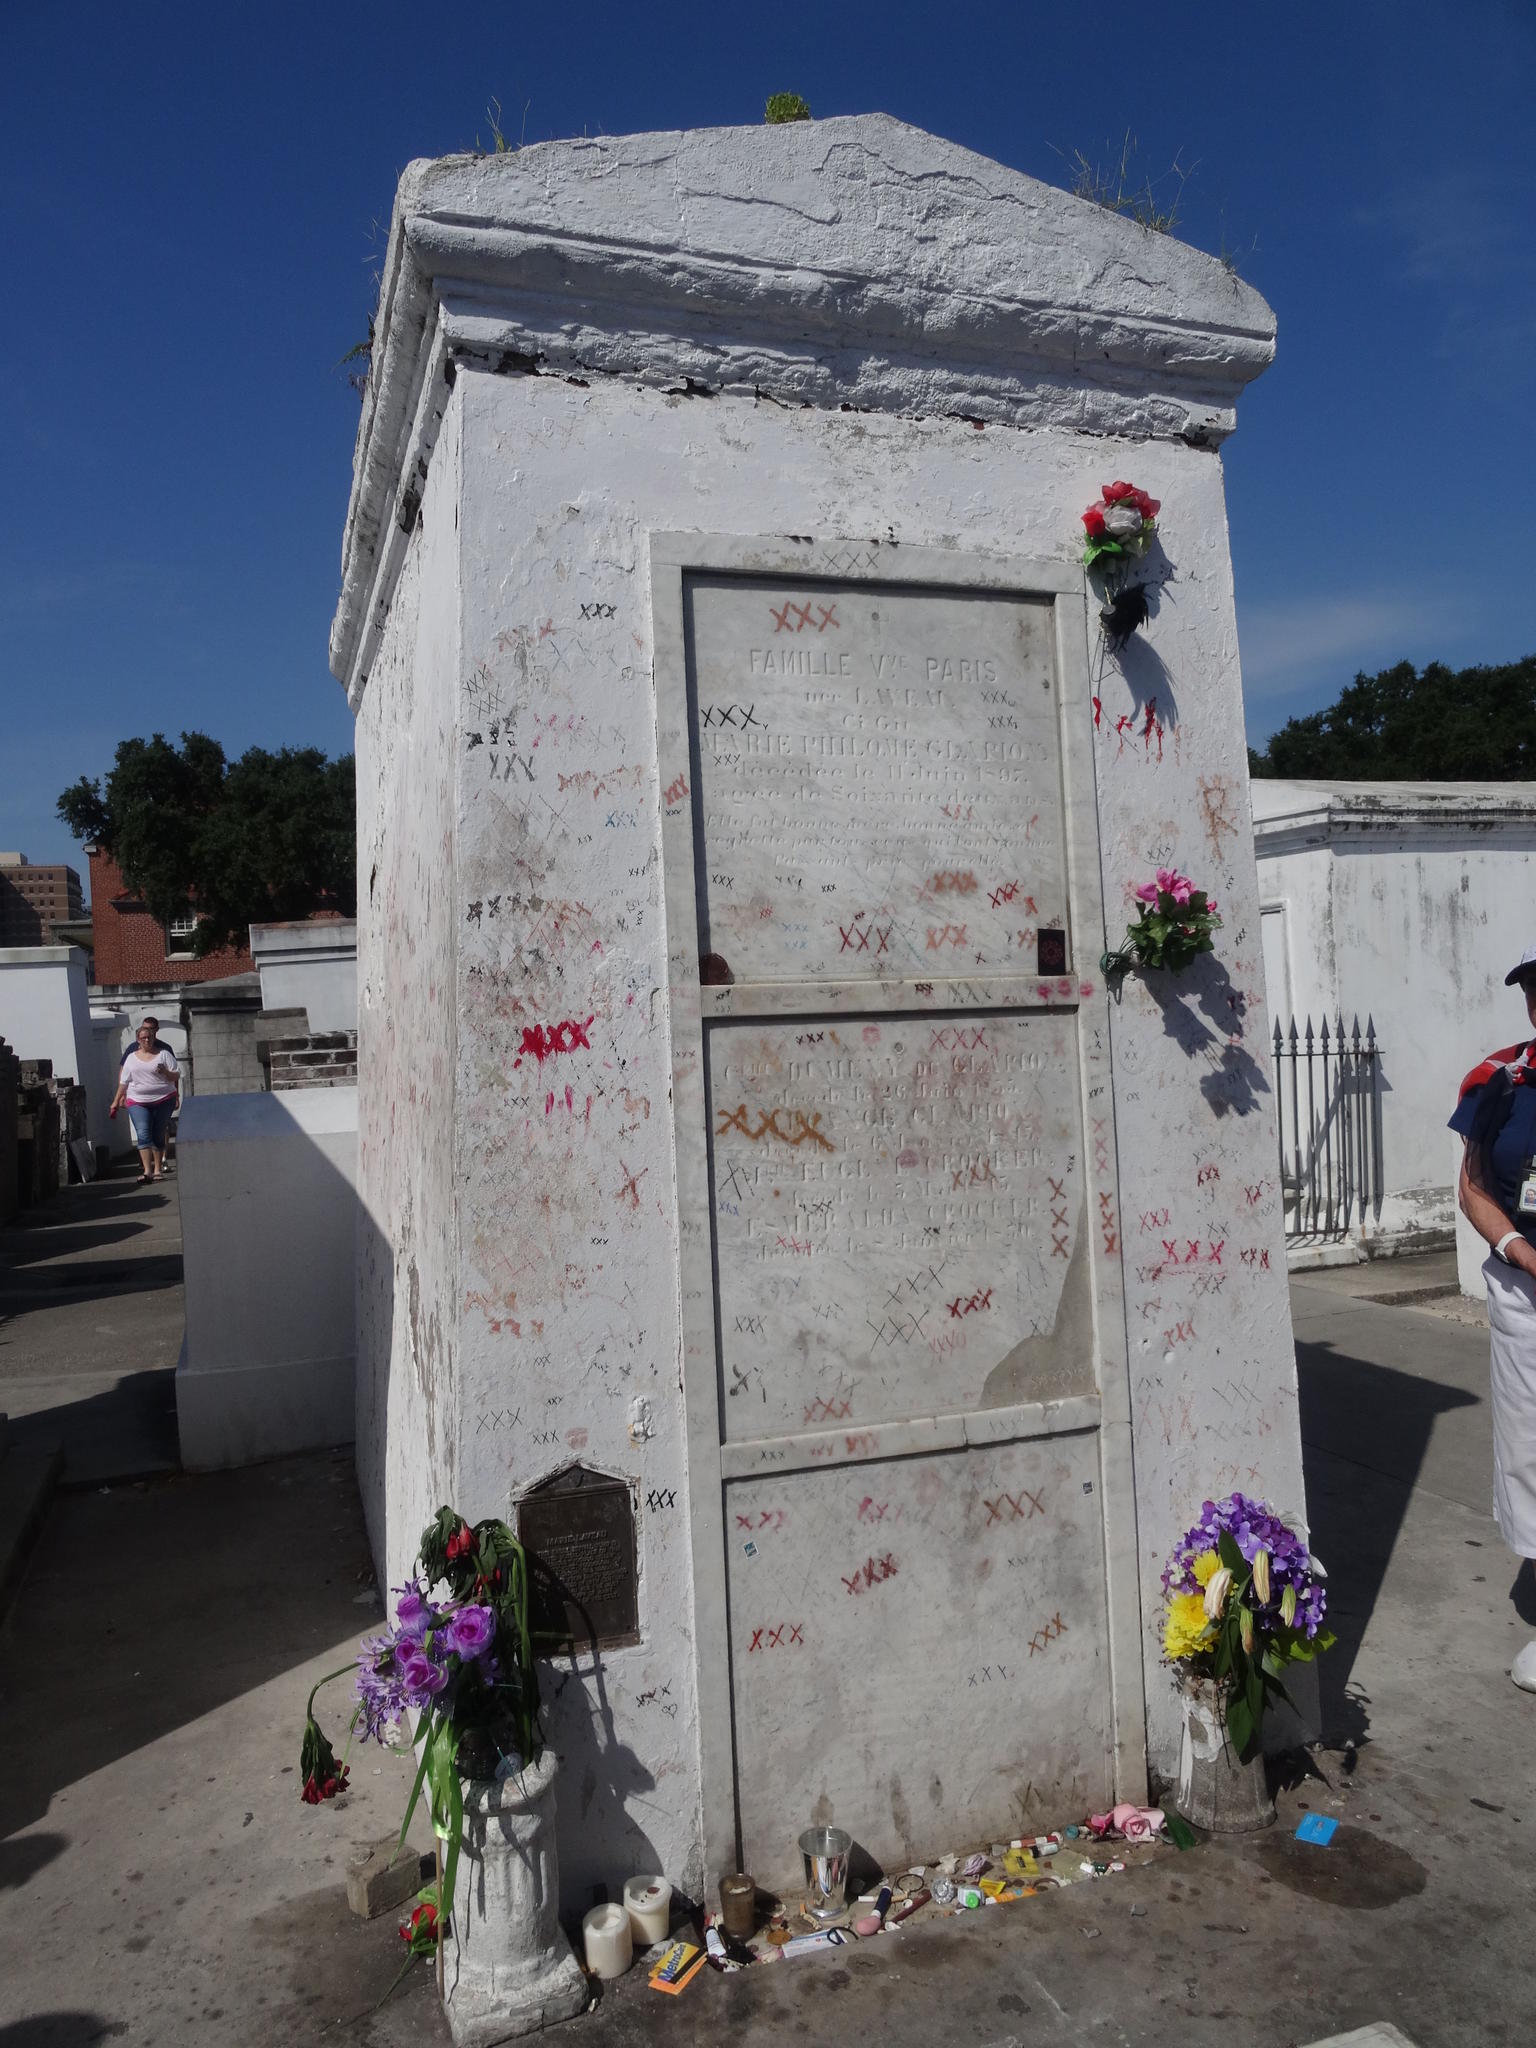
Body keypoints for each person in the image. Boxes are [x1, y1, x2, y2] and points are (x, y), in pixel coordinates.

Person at [1451, 944, 1536, 1691]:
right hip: (1526, 1294)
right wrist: (1517, 1247)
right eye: (1535, 988)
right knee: (1531, 1451)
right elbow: (1474, 1185)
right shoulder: (1500, 1079)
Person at [109, 1016, 181, 1184]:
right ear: (138, 1040)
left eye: (149, 1036)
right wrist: (117, 1100)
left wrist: (167, 1076)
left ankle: (157, 1169)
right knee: (142, 1132)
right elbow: (123, 1080)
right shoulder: (131, 1056)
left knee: (158, 1132)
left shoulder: (164, 1052)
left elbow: (176, 1075)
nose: (147, 1040)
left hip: (163, 1098)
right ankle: (147, 1171)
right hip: (138, 1100)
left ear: (155, 1035)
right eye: (143, 1037)